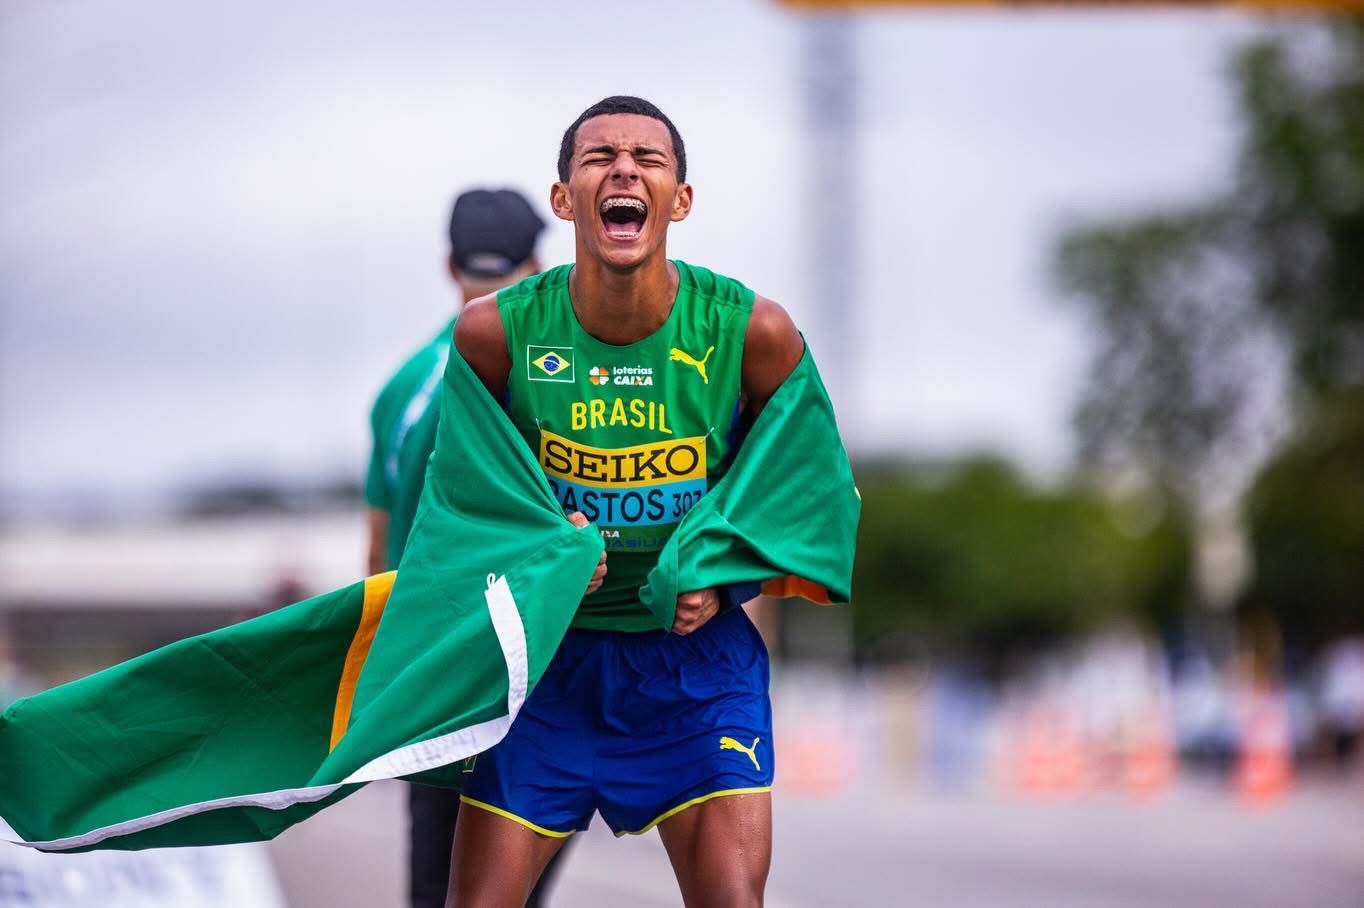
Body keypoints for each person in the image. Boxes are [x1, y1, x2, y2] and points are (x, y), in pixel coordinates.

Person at [447, 96, 808, 908]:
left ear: (680, 199)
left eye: (648, 159)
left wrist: (722, 577)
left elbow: (803, 489)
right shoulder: (492, 338)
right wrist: (546, 552)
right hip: (549, 670)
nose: (623, 169)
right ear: (565, 198)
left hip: (695, 671)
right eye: (598, 156)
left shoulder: (754, 334)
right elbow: (464, 507)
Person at [365, 188, 570, 908]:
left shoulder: (399, 392)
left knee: (434, 888)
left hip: (426, 678)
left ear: (452, 266)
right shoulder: (536, 380)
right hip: (520, 673)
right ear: (538, 266)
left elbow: (376, 558)